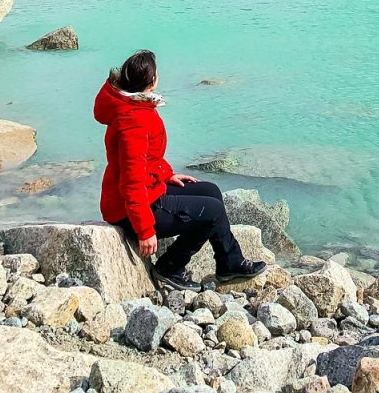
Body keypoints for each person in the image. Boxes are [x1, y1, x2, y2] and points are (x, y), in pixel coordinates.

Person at [93, 49, 266, 292]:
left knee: (211, 191)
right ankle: (170, 267)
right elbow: (131, 182)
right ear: (152, 81)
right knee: (212, 211)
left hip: (145, 192)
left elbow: (147, 160)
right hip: (129, 209)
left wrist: (166, 175)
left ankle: (229, 262)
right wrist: (145, 230)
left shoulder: (134, 106)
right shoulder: (134, 120)